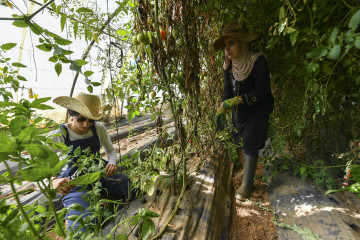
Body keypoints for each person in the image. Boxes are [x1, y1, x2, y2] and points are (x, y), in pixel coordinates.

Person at [49, 92, 131, 234]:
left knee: (132, 188)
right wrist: (52, 181)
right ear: (72, 115)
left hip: (100, 175)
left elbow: (111, 151)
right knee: (82, 227)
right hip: (75, 184)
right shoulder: (60, 134)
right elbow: (35, 163)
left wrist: (112, 163)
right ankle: (72, 214)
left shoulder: (99, 129)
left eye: (91, 120)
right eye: (81, 119)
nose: (86, 124)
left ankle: (101, 198)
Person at [214, 21, 274, 200]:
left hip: (258, 108)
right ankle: (247, 172)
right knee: (240, 136)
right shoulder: (229, 65)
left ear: (244, 43)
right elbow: (227, 90)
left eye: (231, 43)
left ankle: (248, 184)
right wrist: (223, 107)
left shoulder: (258, 60)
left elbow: (263, 91)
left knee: (251, 140)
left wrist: (237, 100)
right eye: (225, 45)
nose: (227, 49)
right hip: (240, 110)